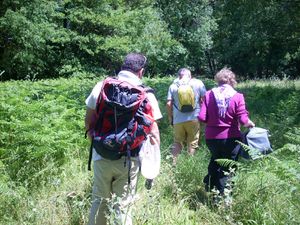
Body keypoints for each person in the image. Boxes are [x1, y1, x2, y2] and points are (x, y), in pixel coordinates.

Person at [85, 53, 162, 225]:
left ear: (123, 67)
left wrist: (99, 145)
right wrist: (152, 165)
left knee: (99, 201)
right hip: (130, 158)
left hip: (101, 154)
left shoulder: (102, 86)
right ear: (141, 72)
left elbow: (88, 122)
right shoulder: (146, 94)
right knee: (123, 205)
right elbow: (154, 133)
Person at [198, 67, 255, 195]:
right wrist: (250, 124)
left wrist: (214, 121)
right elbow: (243, 119)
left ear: (218, 80)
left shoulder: (208, 94)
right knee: (228, 166)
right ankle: (223, 197)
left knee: (216, 159)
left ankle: (210, 184)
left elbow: (202, 117)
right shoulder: (238, 96)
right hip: (231, 138)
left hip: (211, 138)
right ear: (232, 81)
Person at [166, 68, 206, 164]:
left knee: (177, 142)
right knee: (192, 142)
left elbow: (168, 104)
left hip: (178, 119)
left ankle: (174, 164)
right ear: (190, 75)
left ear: (179, 76)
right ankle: (190, 163)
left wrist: (170, 117)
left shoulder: (173, 86)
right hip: (194, 118)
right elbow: (205, 100)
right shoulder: (198, 83)